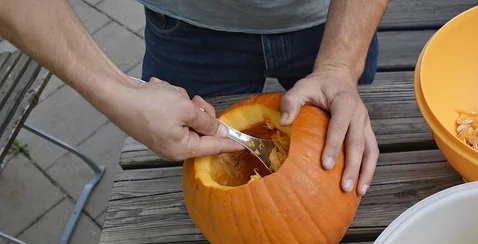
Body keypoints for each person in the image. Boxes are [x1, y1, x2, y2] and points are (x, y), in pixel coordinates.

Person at [0, 0, 389, 196]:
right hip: (185, 28)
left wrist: (339, 64)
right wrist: (117, 92)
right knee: (191, 174)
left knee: (337, 155)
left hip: (335, 18)